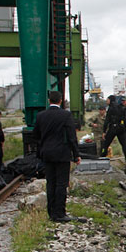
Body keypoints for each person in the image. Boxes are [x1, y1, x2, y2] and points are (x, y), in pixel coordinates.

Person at [33, 91, 81, 222]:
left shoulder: (41, 115)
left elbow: (36, 135)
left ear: (49, 100)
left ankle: (51, 212)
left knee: (51, 183)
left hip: (47, 154)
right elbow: (72, 137)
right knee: (61, 183)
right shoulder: (66, 115)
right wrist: (76, 154)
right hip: (62, 153)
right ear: (61, 101)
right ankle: (59, 213)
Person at [101, 95, 126, 166]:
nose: (106, 101)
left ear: (110, 100)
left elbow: (107, 120)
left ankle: (102, 158)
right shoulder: (121, 107)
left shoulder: (111, 108)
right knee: (125, 145)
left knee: (105, 144)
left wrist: (104, 131)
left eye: (107, 100)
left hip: (113, 128)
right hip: (121, 128)